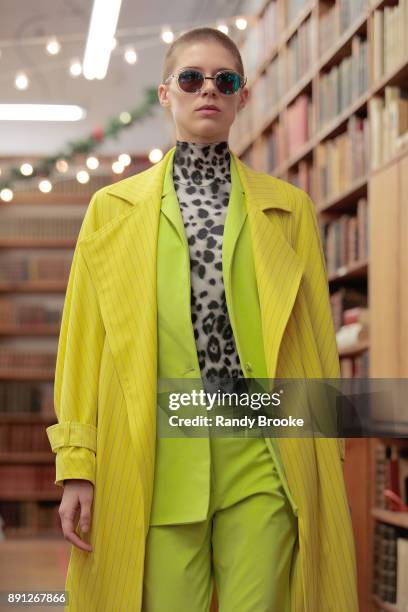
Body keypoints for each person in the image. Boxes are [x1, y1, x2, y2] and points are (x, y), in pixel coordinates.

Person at [46, 27, 359, 612]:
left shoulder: (288, 210)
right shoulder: (111, 212)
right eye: (191, 78)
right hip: (158, 457)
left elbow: (316, 340)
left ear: (242, 97)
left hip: (262, 451)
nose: (207, 90)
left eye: (225, 79)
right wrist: (77, 465)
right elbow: (83, 345)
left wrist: (326, 454)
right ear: (166, 93)